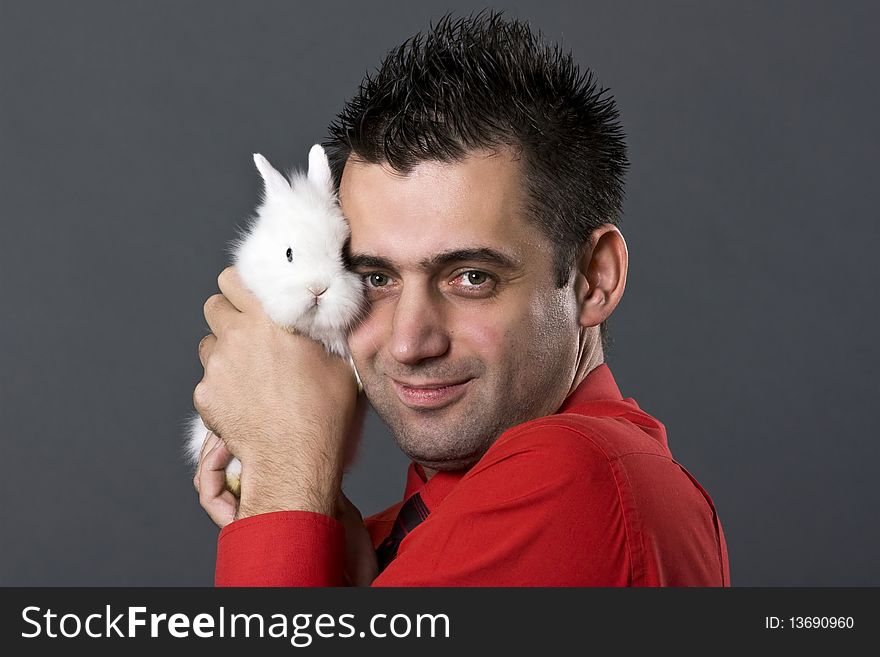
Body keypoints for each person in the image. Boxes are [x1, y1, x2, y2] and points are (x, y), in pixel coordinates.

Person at [192, 12, 730, 586]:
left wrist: (284, 476)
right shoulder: (399, 533)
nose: (408, 342)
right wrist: (319, 527)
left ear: (594, 278)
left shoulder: (577, 478)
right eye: (376, 278)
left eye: (471, 277)